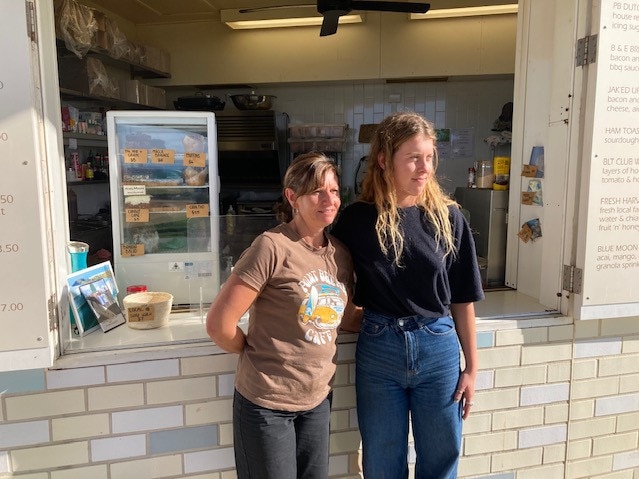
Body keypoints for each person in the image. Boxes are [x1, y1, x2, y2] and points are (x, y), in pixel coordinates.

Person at [331, 112, 484, 479]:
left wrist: (472, 368)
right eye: (414, 158)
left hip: (439, 351)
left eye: (430, 157)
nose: (424, 167)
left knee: (442, 457)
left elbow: (462, 298)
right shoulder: (356, 219)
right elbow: (330, 280)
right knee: (382, 463)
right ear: (384, 160)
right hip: (379, 350)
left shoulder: (449, 218)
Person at [206, 152, 359, 479]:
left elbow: (343, 318)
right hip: (267, 404)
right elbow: (219, 325)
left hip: (317, 401)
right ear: (292, 197)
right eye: (317, 191)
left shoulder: (340, 255)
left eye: (333, 191)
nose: (328, 199)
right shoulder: (271, 247)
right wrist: (255, 351)